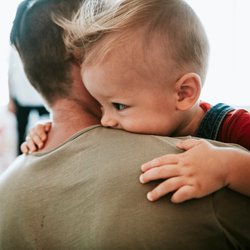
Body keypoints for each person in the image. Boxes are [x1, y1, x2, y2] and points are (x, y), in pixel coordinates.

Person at [1, 0, 249, 248]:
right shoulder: (148, 116)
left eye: (118, 106)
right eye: (101, 104)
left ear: (184, 94)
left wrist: (227, 167)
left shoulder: (235, 127)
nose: (107, 120)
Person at [8, 47, 49, 154]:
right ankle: (20, 158)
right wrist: (11, 100)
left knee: (47, 131)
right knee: (21, 132)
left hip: (41, 97)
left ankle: (46, 154)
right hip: (21, 98)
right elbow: (10, 74)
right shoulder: (14, 50)